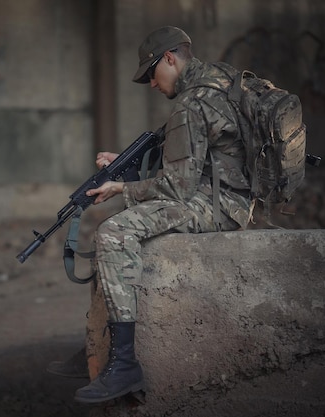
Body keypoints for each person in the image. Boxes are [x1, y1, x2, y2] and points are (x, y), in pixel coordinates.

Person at [71, 26, 254, 404]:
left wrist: (121, 188)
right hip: (227, 194)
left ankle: (124, 366)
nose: (151, 84)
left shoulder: (192, 103)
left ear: (170, 58)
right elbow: (188, 155)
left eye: (151, 73)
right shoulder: (217, 77)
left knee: (115, 232)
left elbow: (176, 188)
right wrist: (122, 162)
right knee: (132, 214)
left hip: (221, 205)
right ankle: (102, 342)